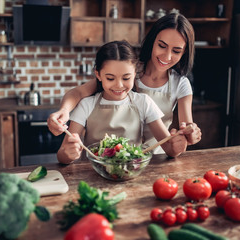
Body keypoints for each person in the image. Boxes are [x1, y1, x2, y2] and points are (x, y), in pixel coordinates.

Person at [48, 11, 201, 154]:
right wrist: (64, 111)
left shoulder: (180, 84)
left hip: (157, 155)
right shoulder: (127, 71)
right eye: (162, 46)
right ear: (152, 41)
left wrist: (189, 133)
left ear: (184, 52)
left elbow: (186, 126)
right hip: (128, 155)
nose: (167, 56)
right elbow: (78, 92)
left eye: (176, 51)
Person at [56, 40, 187, 164]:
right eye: (110, 78)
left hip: (131, 172)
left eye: (126, 78)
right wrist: (67, 154)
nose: (119, 85)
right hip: (94, 174)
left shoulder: (143, 102)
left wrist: (176, 145)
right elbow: (62, 154)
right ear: (98, 75)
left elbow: (169, 148)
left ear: (135, 73)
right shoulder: (86, 105)